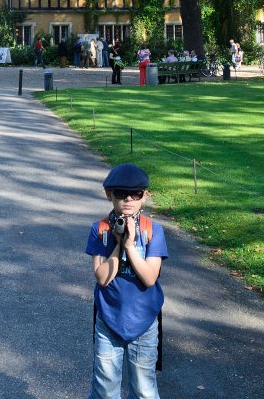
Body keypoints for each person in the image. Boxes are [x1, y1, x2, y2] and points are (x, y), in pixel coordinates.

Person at [86, 164, 167, 399]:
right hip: (108, 320)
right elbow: (102, 277)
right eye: (121, 194)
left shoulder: (153, 230)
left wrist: (130, 246)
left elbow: (150, 277)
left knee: (144, 390)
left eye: (136, 194)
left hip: (144, 321)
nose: (129, 199)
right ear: (109, 195)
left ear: (145, 196)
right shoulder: (100, 229)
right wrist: (118, 244)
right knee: (105, 388)